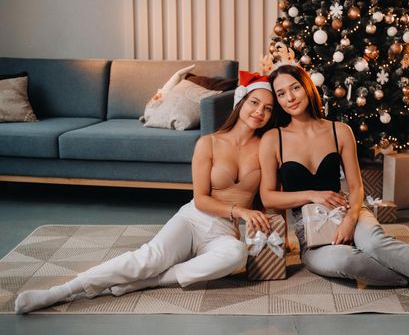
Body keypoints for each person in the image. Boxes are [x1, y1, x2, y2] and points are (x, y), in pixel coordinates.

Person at [15, 71, 275, 314]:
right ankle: (59, 292)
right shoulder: (209, 142)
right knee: (151, 258)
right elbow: (201, 200)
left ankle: (151, 282)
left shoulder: (266, 147)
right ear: (241, 102)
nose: (259, 112)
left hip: (224, 232)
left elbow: (270, 195)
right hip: (195, 219)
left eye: (267, 108)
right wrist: (239, 210)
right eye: (254, 103)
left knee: (236, 254)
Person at [258, 64, 409, 318]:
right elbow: (268, 196)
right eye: (281, 93)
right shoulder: (273, 139)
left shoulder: (339, 131)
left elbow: (356, 186)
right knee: (346, 260)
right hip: (310, 231)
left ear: (307, 87)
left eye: (295, 88)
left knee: (373, 242)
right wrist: (312, 195)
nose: (290, 98)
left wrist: (351, 219)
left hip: (348, 209)